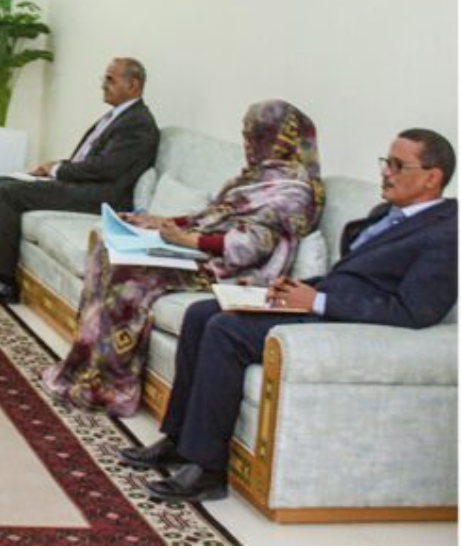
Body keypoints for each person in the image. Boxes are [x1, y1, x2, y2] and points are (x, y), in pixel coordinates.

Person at [122, 129, 457, 504]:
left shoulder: (447, 233)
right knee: (202, 312)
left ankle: (208, 470)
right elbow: (351, 276)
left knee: (227, 330)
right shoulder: (388, 214)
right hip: (322, 300)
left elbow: (413, 310)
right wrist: (291, 289)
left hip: (349, 324)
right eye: (386, 163)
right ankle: (179, 441)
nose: (386, 173)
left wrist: (318, 301)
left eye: (397, 165)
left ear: (432, 177)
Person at [41, 99, 324, 416]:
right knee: (108, 250)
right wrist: (160, 223)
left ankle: (112, 387)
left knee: (129, 274)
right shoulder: (256, 176)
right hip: (198, 251)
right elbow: (213, 216)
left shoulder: (295, 190)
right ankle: (84, 366)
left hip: (231, 271)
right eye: (245, 135)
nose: (247, 144)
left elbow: (253, 246)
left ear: (278, 138)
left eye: (254, 136)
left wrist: (187, 240)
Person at [0, 58, 160, 304]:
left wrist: (58, 170)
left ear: (133, 85)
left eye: (110, 79)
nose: (103, 85)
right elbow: (90, 159)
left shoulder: (139, 123)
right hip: (88, 184)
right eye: (104, 78)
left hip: (101, 196)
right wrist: (53, 166)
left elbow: (106, 168)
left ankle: (3, 282)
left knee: (9, 192)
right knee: (0, 182)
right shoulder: (119, 116)